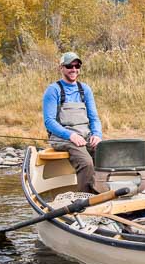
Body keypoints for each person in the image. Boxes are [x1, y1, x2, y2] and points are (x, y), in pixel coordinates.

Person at [42, 52, 103, 194]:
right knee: (86, 162)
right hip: (63, 138)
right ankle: (85, 200)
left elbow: (94, 117)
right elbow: (49, 121)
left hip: (85, 135)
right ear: (61, 68)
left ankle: (104, 193)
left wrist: (97, 135)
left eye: (77, 66)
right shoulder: (53, 90)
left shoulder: (85, 89)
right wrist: (70, 135)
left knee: (106, 154)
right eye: (70, 66)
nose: (74, 69)